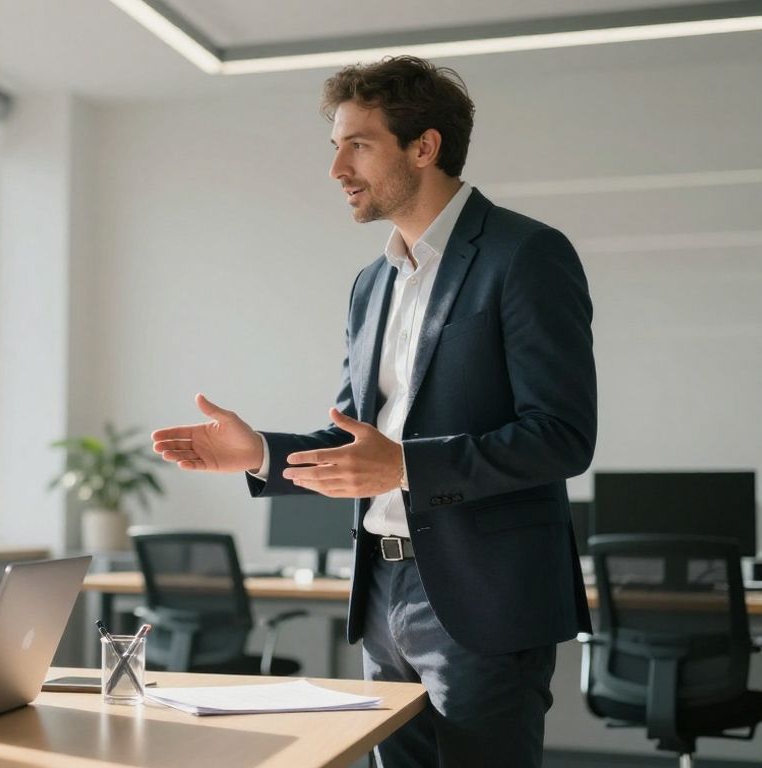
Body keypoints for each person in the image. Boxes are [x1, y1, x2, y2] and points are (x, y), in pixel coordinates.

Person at [150, 56, 595, 767]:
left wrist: (407, 465)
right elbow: (360, 441)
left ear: (424, 147)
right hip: (383, 586)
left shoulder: (526, 254)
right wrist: (260, 453)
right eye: (336, 147)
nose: (337, 169)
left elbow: (562, 437)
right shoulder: (370, 284)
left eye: (358, 144)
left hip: (484, 594)